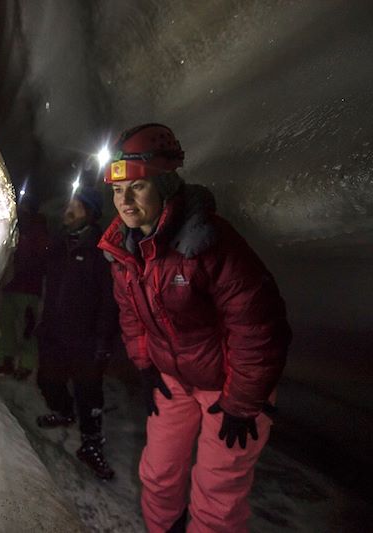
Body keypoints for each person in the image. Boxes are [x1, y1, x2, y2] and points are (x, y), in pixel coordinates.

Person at [97, 124, 291, 532]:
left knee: (217, 494)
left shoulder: (211, 244)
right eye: (118, 190)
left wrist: (243, 402)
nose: (125, 201)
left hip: (230, 384)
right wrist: (146, 364)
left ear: (166, 186)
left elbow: (258, 326)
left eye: (138, 187)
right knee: (158, 473)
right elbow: (132, 315)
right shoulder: (126, 251)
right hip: (174, 377)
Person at [34, 187, 119, 480]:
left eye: (75, 206)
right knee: (47, 379)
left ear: (90, 213)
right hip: (55, 332)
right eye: (68, 204)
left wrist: (104, 340)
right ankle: (64, 411)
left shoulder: (101, 250)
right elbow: (49, 286)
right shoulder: (59, 245)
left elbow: (110, 299)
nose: (67, 210)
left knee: (89, 393)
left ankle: (91, 443)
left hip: (86, 338)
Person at [0, 197, 49, 380]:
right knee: (5, 325)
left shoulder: (38, 227)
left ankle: (27, 364)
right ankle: (6, 360)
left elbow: (39, 256)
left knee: (27, 327)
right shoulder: (16, 225)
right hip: (12, 285)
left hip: (29, 288)